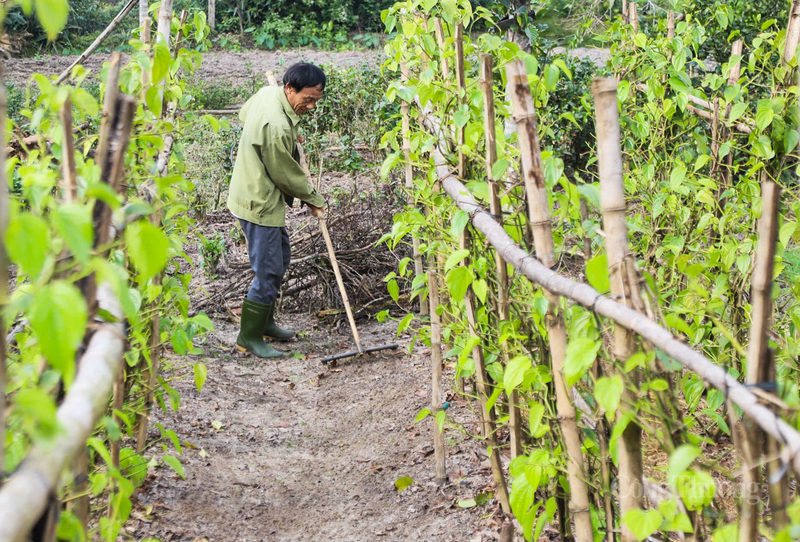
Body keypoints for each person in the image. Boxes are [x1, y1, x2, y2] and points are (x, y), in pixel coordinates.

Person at [227, 63, 326, 359]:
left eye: (315, 101)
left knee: (280, 257)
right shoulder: (276, 125)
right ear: (289, 89)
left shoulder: (269, 94)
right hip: (259, 200)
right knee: (269, 270)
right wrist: (313, 198)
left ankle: (265, 321)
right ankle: (249, 336)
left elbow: (245, 114)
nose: (309, 106)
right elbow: (285, 174)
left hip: (249, 189)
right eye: (306, 99)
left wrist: (289, 135)